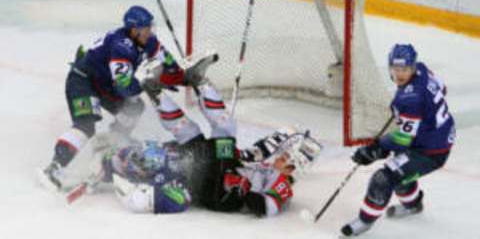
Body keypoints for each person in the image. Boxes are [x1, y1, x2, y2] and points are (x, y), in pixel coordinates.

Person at [39, 5, 202, 191]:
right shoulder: (121, 47)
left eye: (150, 27)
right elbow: (124, 88)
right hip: (83, 81)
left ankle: (113, 139)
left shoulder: (149, 41)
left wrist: (184, 77)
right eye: (145, 29)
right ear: (133, 30)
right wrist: (148, 80)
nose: (150, 32)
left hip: (105, 85)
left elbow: (169, 64)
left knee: (134, 107)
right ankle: (54, 167)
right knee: (85, 125)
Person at [154, 83, 323, 217]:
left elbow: (264, 207)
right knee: (191, 134)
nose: (279, 157)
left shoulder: (283, 185)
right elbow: (244, 166)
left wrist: (243, 188)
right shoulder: (271, 169)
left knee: (225, 128)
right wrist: (237, 159)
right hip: (217, 175)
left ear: (293, 168)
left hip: (219, 193)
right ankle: (157, 94)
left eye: (285, 157)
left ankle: (200, 84)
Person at [341, 44, 456, 236]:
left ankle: (364, 221)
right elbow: (442, 89)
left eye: (405, 69)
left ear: (412, 66)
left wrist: (376, 148)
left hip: (430, 150)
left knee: (384, 178)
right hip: (435, 134)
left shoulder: (409, 100)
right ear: (390, 67)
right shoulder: (423, 68)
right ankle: (413, 206)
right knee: (401, 171)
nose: (400, 74)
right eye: (396, 69)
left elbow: (402, 139)